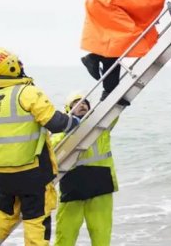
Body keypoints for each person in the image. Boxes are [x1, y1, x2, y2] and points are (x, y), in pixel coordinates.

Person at [0, 48, 82, 246]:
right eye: (18, 62)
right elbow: (54, 122)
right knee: (36, 218)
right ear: (12, 67)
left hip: (3, 172)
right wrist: (74, 122)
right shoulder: (27, 93)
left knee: (5, 213)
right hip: (31, 171)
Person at [53, 92, 117, 246]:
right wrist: (70, 128)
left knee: (101, 232)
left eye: (85, 103)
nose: (82, 105)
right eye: (77, 103)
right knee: (65, 232)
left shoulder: (101, 125)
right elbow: (53, 146)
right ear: (68, 110)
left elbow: (115, 112)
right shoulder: (61, 131)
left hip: (100, 184)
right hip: (73, 185)